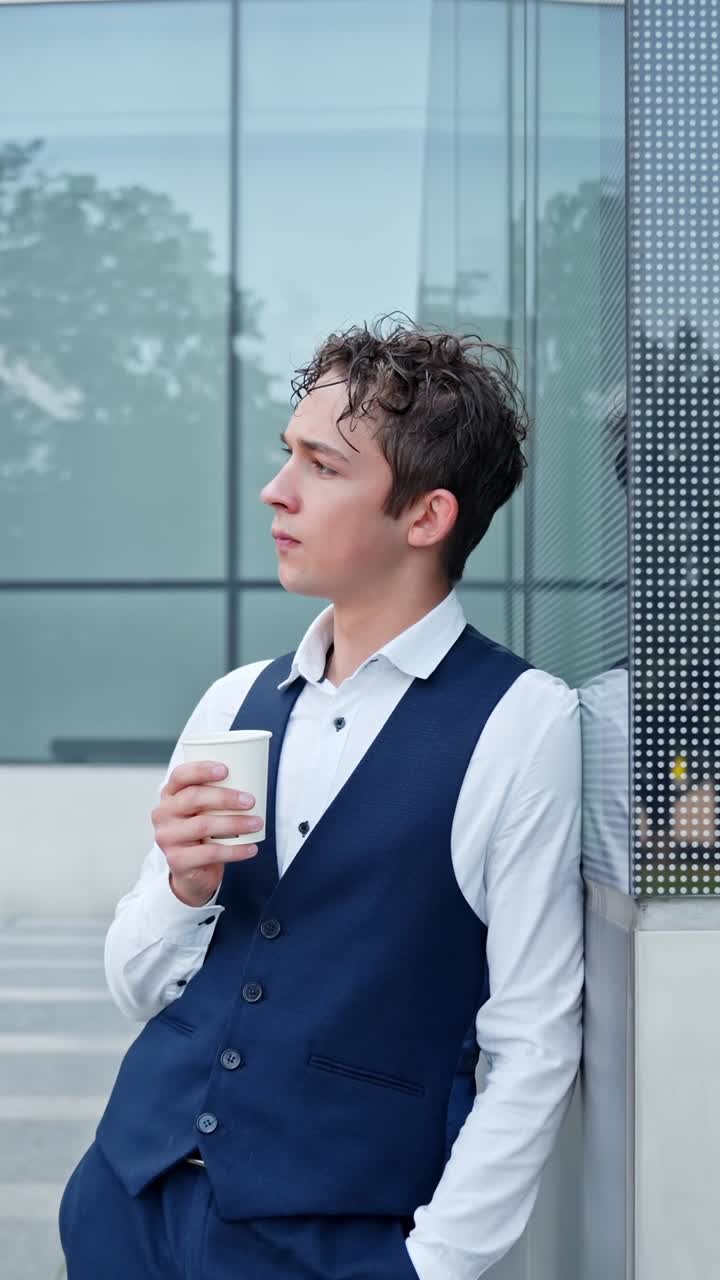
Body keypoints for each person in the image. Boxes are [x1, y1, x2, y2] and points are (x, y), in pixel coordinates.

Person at [58, 316, 584, 1280]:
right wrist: (182, 889)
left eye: (322, 466)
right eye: (285, 454)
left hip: (331, 1237)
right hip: (128, 1203)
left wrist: (433, 1268)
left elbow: (535, 1036)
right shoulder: (236, 700)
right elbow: (141, 990)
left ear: (426, 518)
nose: (277, 489)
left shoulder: (521, 722)